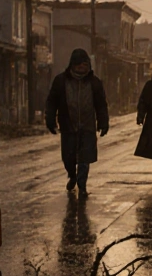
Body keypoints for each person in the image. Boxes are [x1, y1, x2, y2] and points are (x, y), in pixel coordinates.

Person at [45, 48, 109, 197]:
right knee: (68, 157)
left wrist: (103, 122)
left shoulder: (94, 83)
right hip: (68, 125)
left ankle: (82, 184)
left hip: (87, 126)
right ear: (72, 65)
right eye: (79, 64)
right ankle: (72, 175)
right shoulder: (61, 81)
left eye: (85, 64)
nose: (82, 67)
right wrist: (50, 120)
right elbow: (52, 102)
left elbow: (101, 105)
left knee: (84, 158)